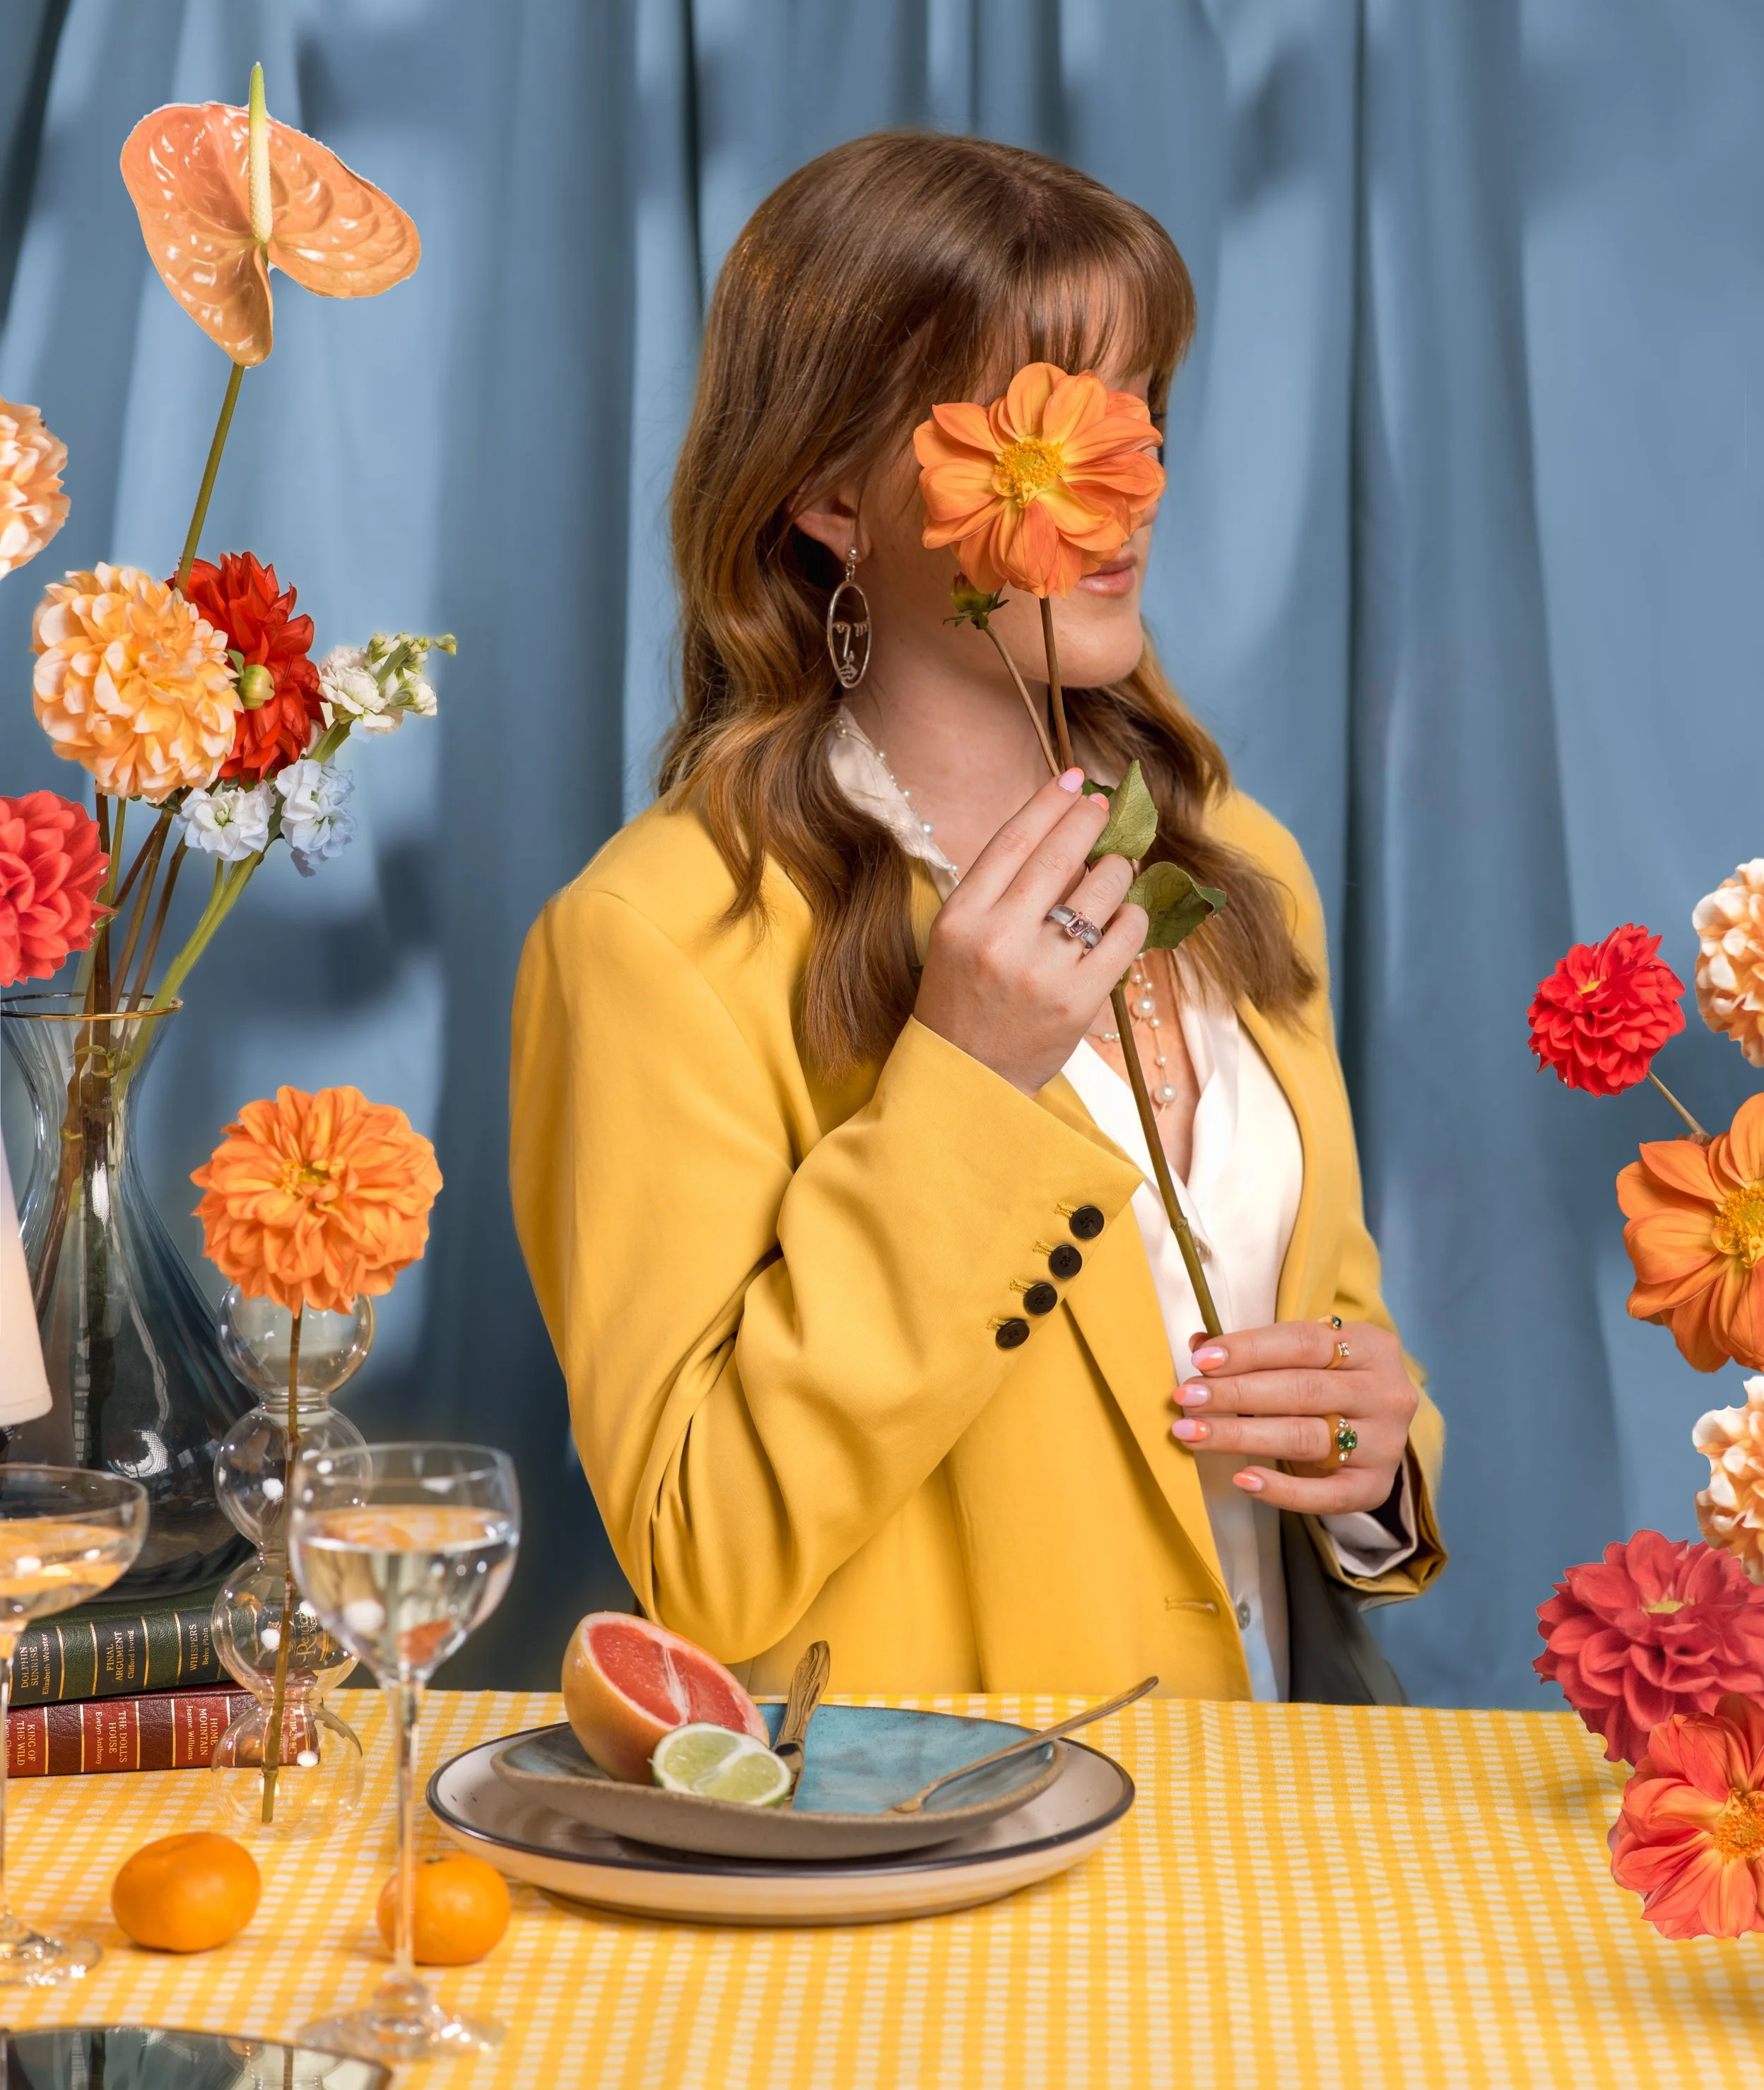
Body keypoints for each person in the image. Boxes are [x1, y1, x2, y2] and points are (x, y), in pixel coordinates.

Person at [511, 132, 1444, 1703]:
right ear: (825, 495)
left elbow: (1324, 1326)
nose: (1118, 487)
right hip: (942, 1863)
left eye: (1137, 405)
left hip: (1266, 1831)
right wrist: (960, 1079)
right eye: (1040, 424)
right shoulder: (650, 939)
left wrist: (1376, 1460)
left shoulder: (1238, 864)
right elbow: (705, 1550)